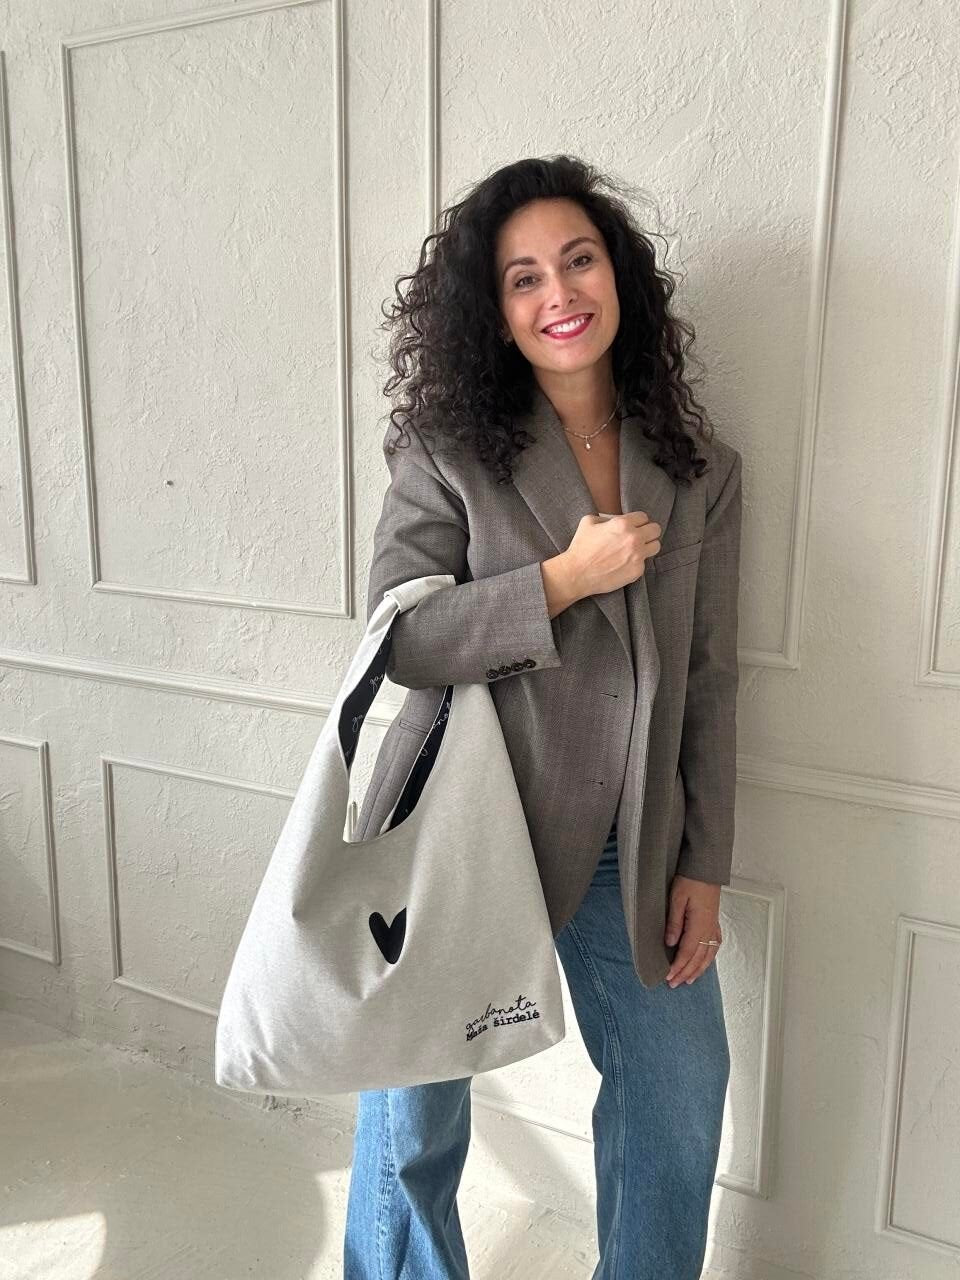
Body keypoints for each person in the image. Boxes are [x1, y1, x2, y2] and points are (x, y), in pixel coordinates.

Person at [344, 154, 742, 1280]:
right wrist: (561, 581)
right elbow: (399, 641)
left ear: (618, 275)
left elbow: (709, 674)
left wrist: (702, 859)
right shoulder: (446, 454)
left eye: (577, 259)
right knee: (414, 1114)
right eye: (523, 278)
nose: (557, 294)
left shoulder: (700, 469)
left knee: (677, 1090)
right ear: (496, 310)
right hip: (460, 827)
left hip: (631, 835)